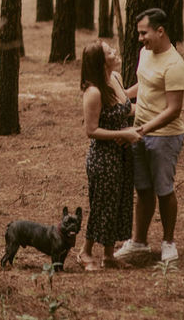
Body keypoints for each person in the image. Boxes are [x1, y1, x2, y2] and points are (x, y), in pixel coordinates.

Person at [115, 7, 184, 264]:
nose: (140, 38)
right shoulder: (145, 53)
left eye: (144, 33)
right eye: (139, 33)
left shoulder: (174, 65)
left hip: (164, 137)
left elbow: (173, 109)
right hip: (139, 132)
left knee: (164, 189)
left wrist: (142, 130)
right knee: (143, 189)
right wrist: (121, 95)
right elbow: (143, 85)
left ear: (160, 30)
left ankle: (168, 243)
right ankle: (139, 242)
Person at [77, 41, 141, 271]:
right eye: (109, 52)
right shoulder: (93, 92)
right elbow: (91, 131)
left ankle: (109, 255)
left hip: (122, 154)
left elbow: (127, 107)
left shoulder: (115, 78)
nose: (115, 52)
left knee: (119, 203)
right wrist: (123, 133)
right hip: (103, 158)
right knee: (102, 205)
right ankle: (84, 252)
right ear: (101, 61)